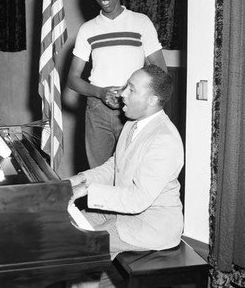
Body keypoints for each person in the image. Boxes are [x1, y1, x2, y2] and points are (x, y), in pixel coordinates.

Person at [68, 65, 184, 262]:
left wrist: (86, 190)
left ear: (152, 100)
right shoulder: (132, 123)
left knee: (77, 247)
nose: (122, 94)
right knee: (66, 229)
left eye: (131, 89)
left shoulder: (164, 139)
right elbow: (115, 166)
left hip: (150, 226)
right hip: (121, 212)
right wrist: (80, 178)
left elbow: (138, 199)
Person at [68, 0, 167, 169]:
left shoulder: (141, 23)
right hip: (97, 109)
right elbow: (72, 79)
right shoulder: (87, 29)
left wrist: (135, 95)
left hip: (133, 108)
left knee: (131, 172)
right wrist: (100, 93)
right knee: (99, 173)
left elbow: (159, 70)